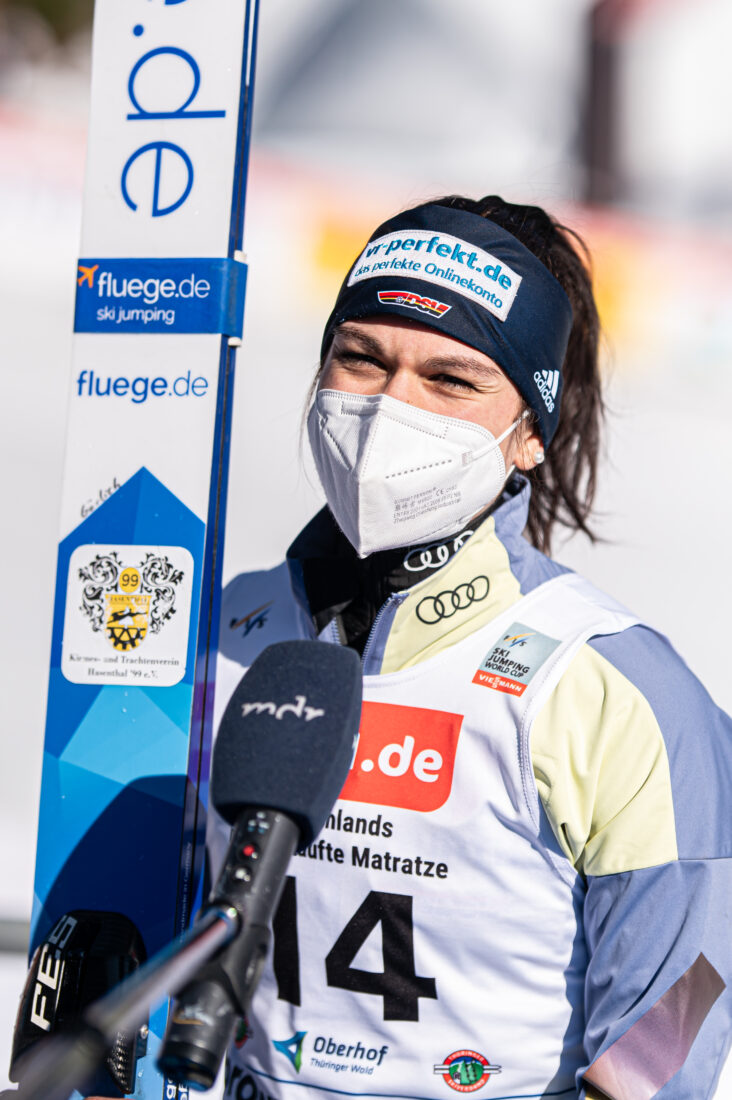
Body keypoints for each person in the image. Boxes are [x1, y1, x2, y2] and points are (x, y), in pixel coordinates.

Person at [213, 195, 732, 1100]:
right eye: (361, 358)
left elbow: (675, 1021)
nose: (388, 406)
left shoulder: (616, 689)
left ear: (529, 432)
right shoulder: (222, 630)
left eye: (450, 379)